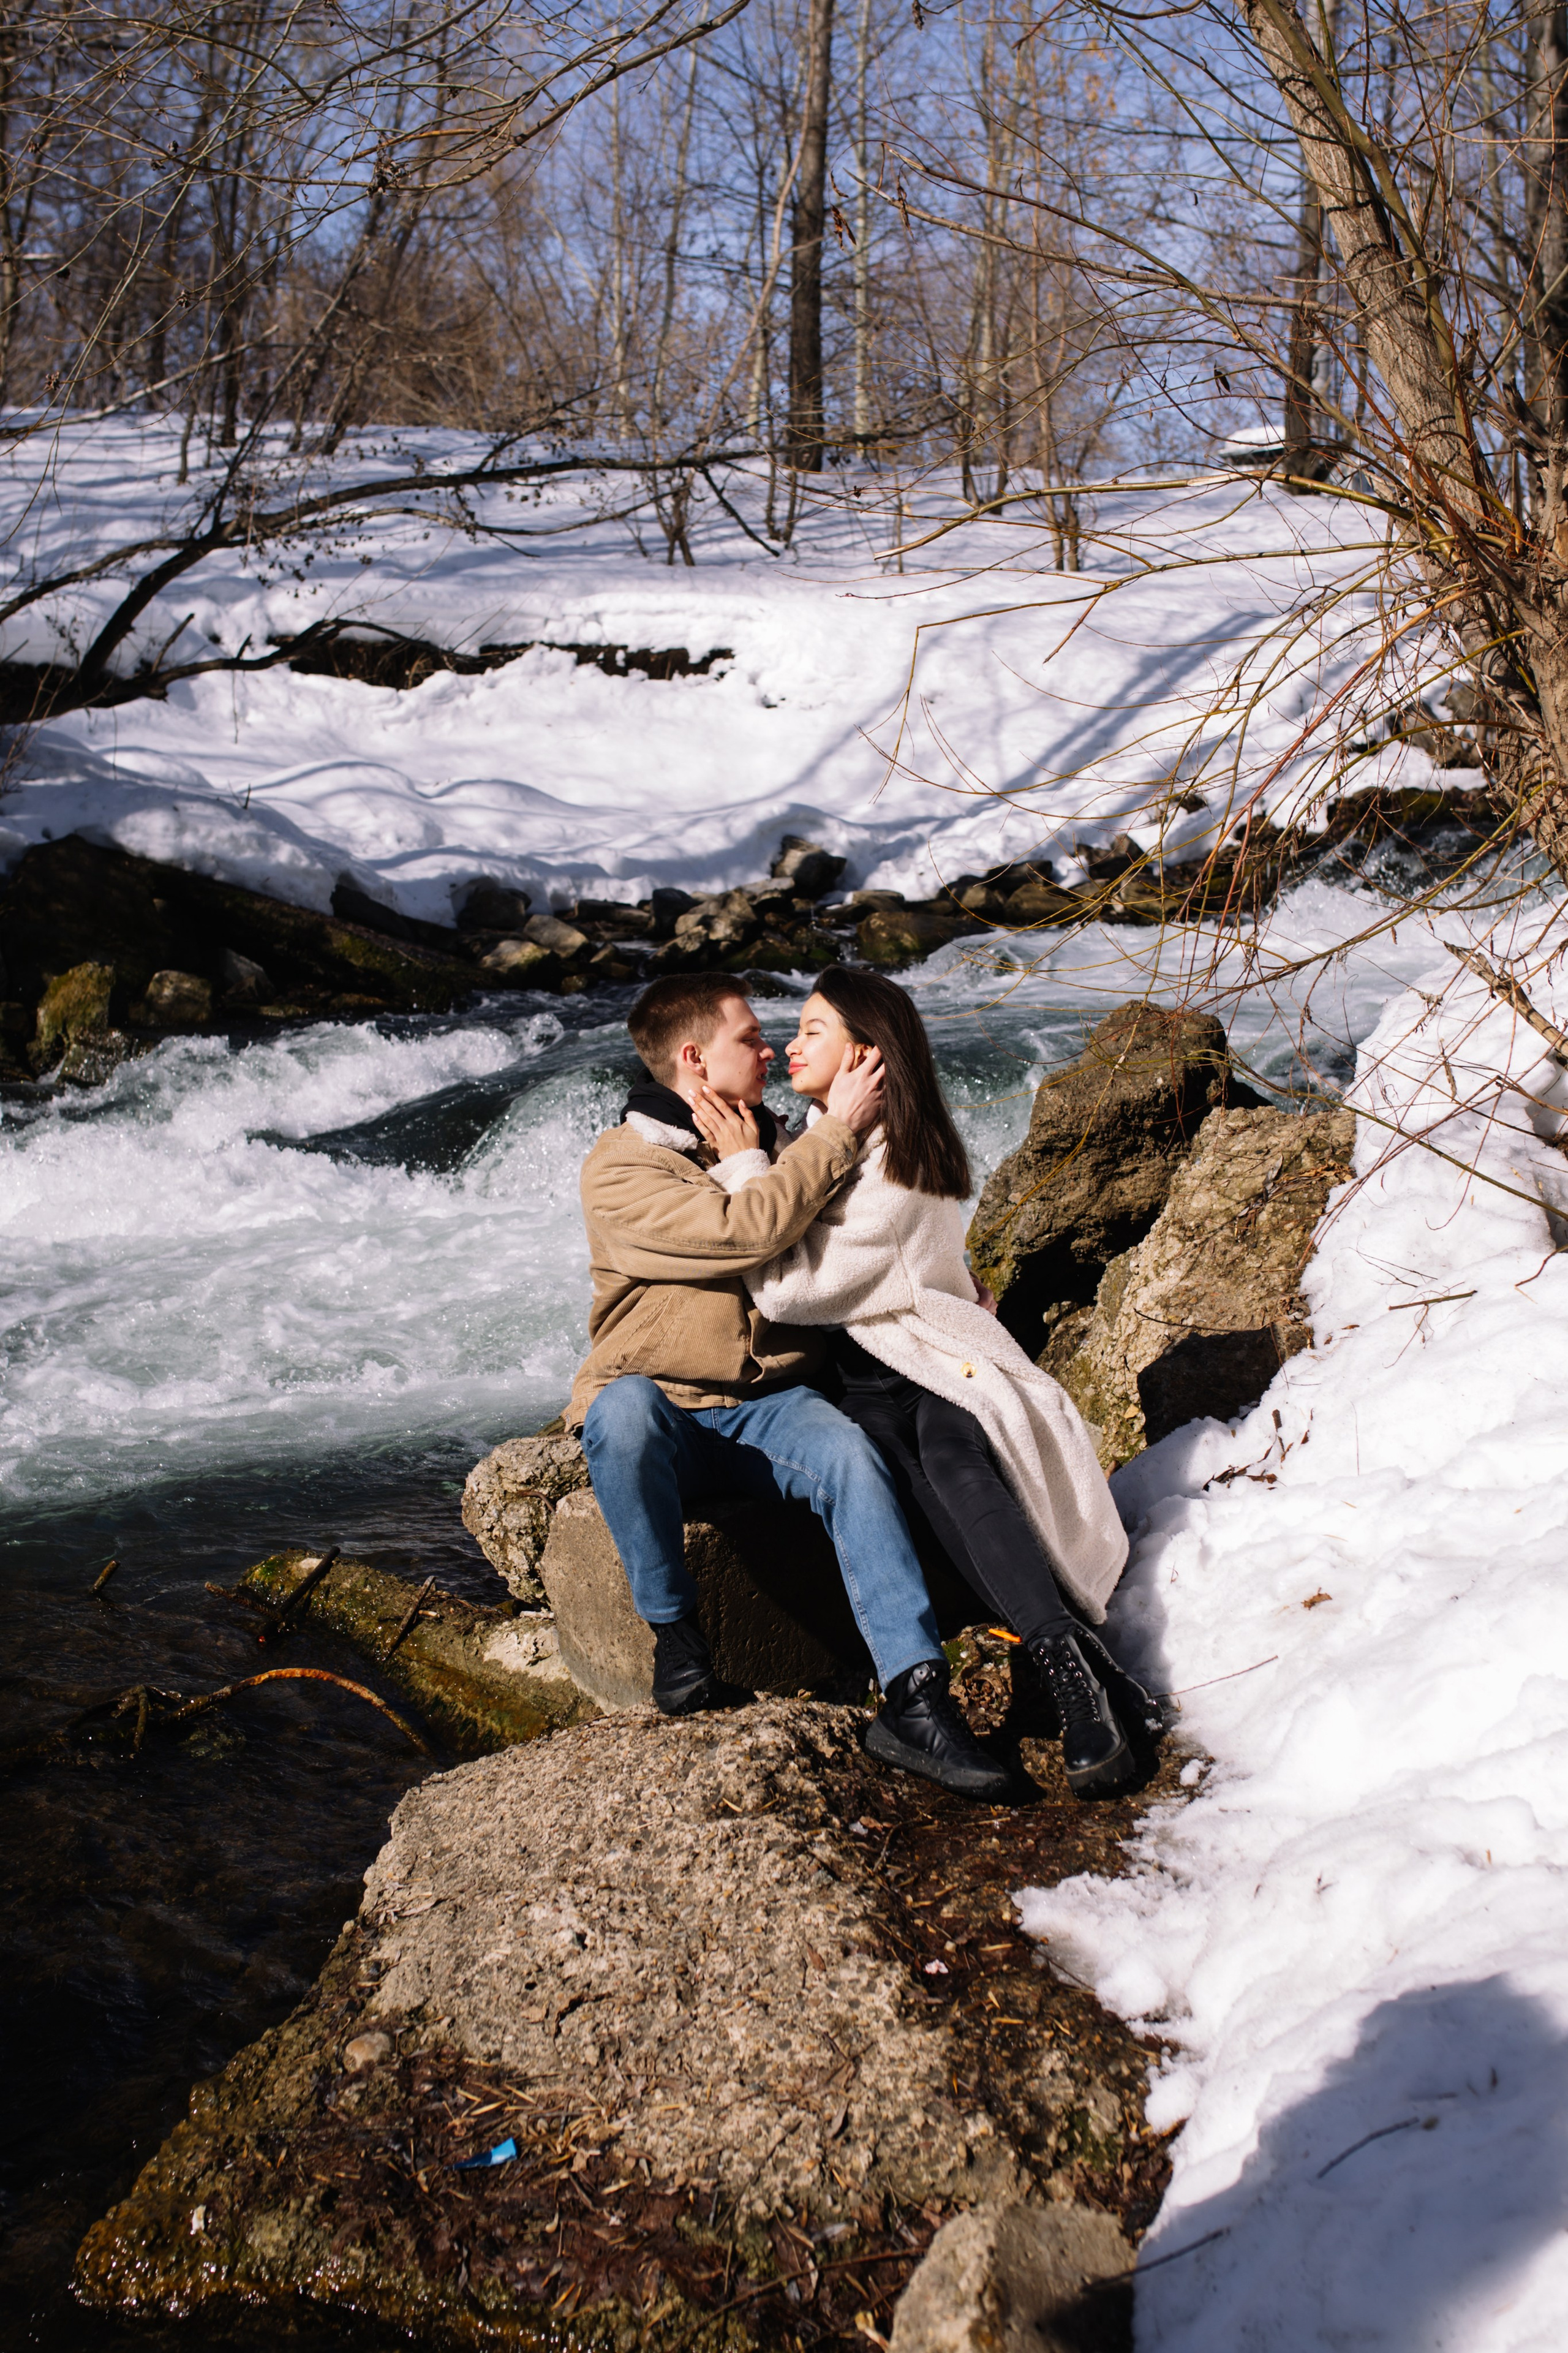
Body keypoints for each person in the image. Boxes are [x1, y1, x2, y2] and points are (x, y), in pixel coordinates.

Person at [690, 965, 1158, 1800]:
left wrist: (743, 1167)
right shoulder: (830, 1139)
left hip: (934, 1364)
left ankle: (1067, 1669)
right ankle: (1093, 1676)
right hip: (867, 1380)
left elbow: (788, 1284)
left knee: (948, 1449)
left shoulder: (899, 1155)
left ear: (869, 1057)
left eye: (814, 1029)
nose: (789, 1043)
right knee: (898, 1459)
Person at [566, 971, 1012, 1802]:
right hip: (666, 1405)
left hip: (772, 1404)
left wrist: (955, 1285)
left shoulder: (779, 1141)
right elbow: (747, 1229)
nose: (769, 1048)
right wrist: (834, 1130)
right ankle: (677, 1639)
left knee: (849, 1458)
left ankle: (915, 1697)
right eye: (749, 1037)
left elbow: (881, 1234)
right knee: (619, 1413)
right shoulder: (622, 1168)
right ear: (695, 1059)